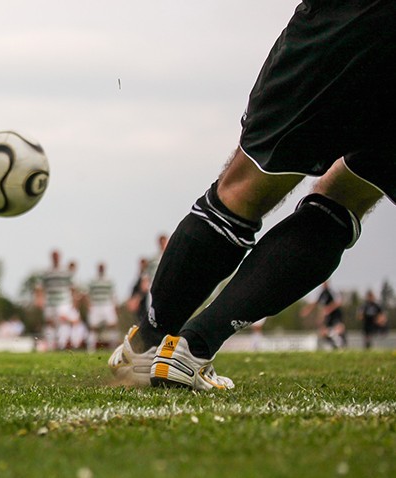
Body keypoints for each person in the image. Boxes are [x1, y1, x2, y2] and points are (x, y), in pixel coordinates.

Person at [110, 1, 395, 390]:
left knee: (243, 188)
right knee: (347, 196)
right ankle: (192, 349)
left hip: (352, 14)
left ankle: (150, 344)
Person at [37, 250, 74, 351]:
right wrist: (39, 298)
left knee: (62, 321)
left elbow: (72, 286)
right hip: (49, 301)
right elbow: (41, 287)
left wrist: (73, 301)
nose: (55, 258)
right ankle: (50, 345)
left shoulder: (65, 271)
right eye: (54, 256)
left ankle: (61, 345)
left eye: (57, 256)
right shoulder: (46, 272)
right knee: (50, 322)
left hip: (63, 301)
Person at [301, 281, 346, 350]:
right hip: (328, 316)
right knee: (323, 332)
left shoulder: (332, 291)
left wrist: (329, 309)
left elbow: (338, 302)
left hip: (335, 314)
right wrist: (308, 310)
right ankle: (335, 345)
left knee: (339, 329)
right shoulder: (322, 293)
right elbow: (316, 303)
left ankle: (340, 344)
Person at [86, 262, 118, 353]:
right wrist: (89, 305)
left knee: (112, 325)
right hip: (96, 305)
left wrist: (114, 306)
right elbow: (88, 294)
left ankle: (113, 347)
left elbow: (113, 294)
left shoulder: (109, 280)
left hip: (107, 305)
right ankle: (90, 349)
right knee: (93, 327)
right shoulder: (93, 281)